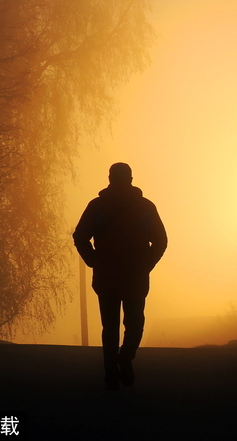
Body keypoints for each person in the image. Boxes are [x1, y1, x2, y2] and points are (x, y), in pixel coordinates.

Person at [73, 162, 167, 389]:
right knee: (135, 324)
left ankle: (111, 373)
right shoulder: (145, 207)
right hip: (135, 276)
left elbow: (80, 236)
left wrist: (94, 260)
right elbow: (161, 241)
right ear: (131, 179)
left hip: (107, 276)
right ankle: (125, 358)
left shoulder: (97, 207)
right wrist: (146, 264)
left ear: (110, 179)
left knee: (110, 327)